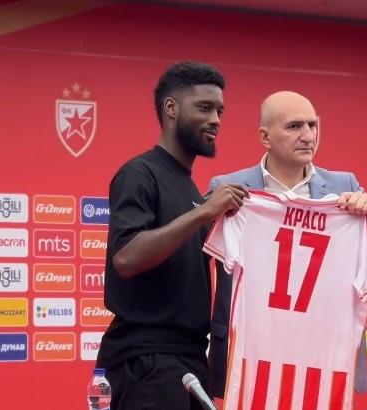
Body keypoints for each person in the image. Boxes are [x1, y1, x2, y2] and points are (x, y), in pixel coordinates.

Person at [206, 90, 367, 402]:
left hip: (322, 359)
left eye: (312, 125)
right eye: (294, 127)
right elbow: (192, 258)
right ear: (265, 137)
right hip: (249, 360)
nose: (307, 136)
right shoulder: (231, 190)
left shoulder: (343, 187)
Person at [96, 61, 248, 410]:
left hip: (189, 358)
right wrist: (204, 213)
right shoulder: (140, 173)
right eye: (204, 108)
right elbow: (126, 258)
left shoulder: (189, 188)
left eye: (220, 111)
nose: (216, 120)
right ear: (171, 108)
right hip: (145, 362)